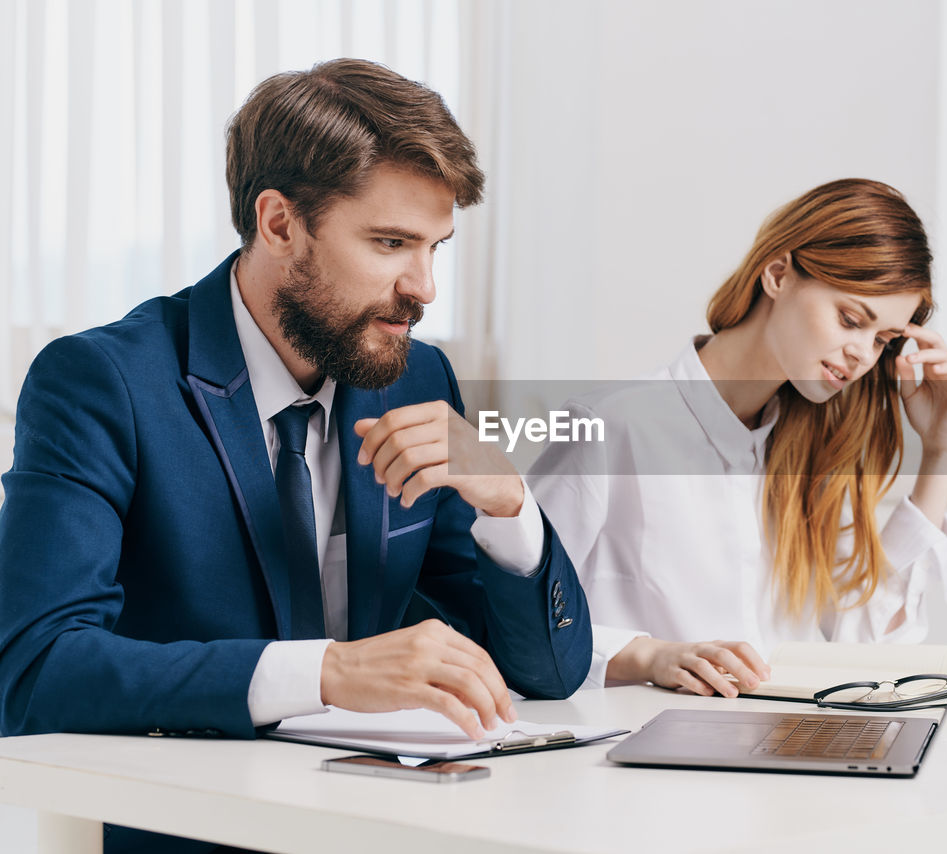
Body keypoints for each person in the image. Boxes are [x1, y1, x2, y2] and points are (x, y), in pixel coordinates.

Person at [0, 59, 591, 851]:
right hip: (200, 833)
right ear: (279, 223)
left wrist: (509, 506)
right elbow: (34, 669)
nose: (424, 288)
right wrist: (327, 673)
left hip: (405, 825)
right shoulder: (105, 383)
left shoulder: (417, 375)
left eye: (435, 247)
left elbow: (546, 674)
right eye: (390, 243)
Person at [528, 179, 947, 697]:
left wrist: (942, 453)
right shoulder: (610, 427)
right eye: (851, 319)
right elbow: (518, 626)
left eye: (883, 340)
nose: (862, 355)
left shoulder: (815, 450)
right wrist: (648, 655)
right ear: (778, 274)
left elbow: (869, 644)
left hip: (787, 745)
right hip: (643, 753)